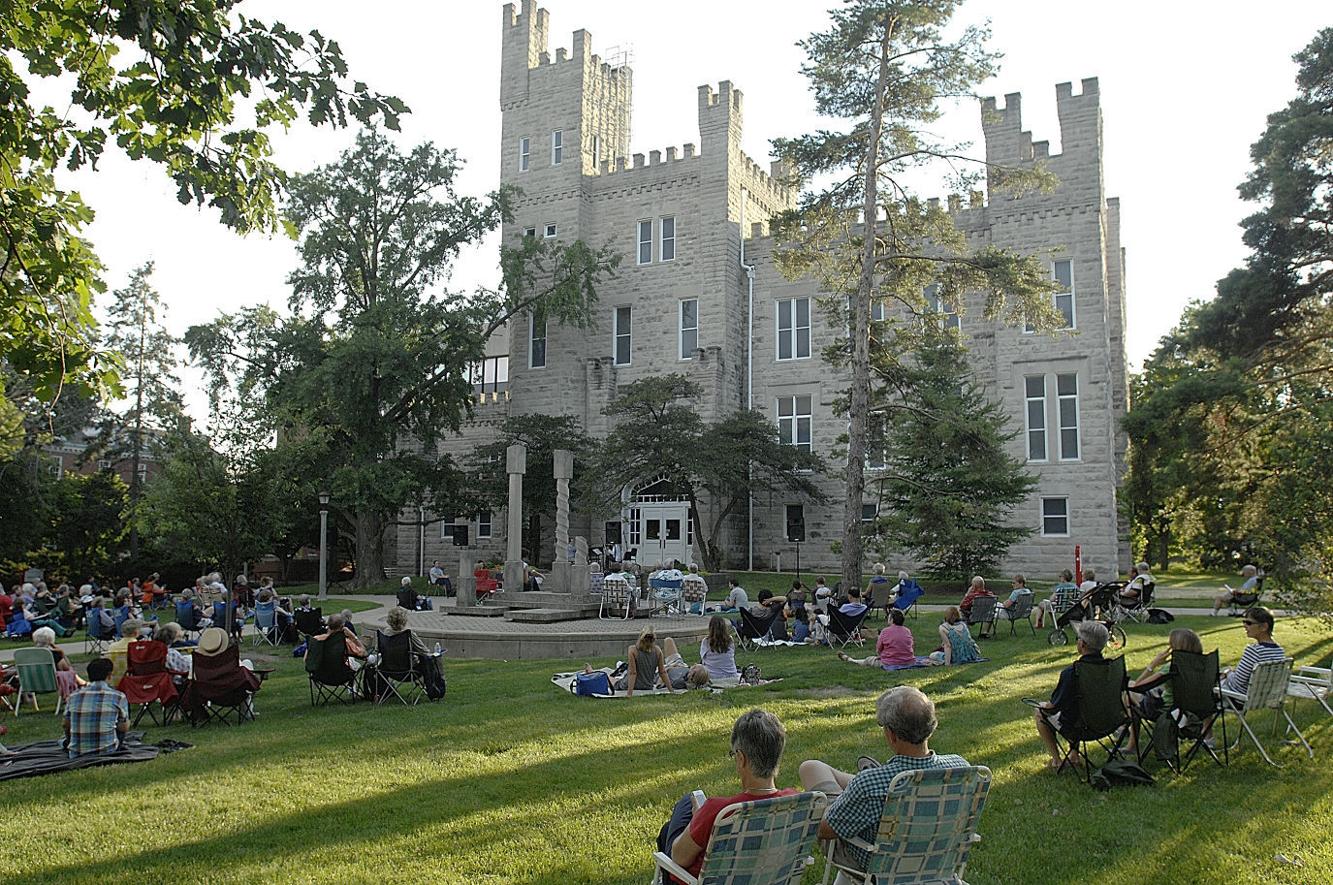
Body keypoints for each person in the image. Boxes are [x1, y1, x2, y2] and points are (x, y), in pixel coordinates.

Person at [799, 687, 969, 880]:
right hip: (936, 862)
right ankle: (859, 788)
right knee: (868, 783)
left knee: (811, 768)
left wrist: (836, 803)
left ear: (891, 735)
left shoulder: (871, 784)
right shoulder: (960, 768)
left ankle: (850, 794)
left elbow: (825, 830)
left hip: (876, 868)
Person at [657, 710, 798, 882]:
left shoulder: (719, 811)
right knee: (668, 828)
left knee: (686, 803)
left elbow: (678, 857)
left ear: (741, 759)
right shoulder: (795, 803)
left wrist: (699, 819)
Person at [1033, 620, 1114, 770]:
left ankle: (1057, 760)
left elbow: (1054, 706)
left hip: (1082, 727)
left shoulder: (1072, 673)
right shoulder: (1112, 668)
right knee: (1077, 707)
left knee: (1040, 711)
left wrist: (1043, 706)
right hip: (1110, 722)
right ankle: (1074, 754)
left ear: (1082, 644)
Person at [1127, 627, 1203, 751]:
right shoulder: (1202, 664)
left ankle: (1130, 739)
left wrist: (1153, 665)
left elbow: (1138, 687)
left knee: (1129, 689)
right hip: (1195, 710)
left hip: (1167, 711)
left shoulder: (1171, 667)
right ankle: (1129, 736)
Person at [62, 657, 128, 758]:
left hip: (77, 753)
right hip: (108, 751)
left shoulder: (73, 696)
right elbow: (123, 727)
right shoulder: (118, 697)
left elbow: (66, 725)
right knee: (123, 723)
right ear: (109, 675)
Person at [1221, 606, 1285, 696]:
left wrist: (1228, 672)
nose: (1244, 625)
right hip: (1262, 698)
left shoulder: (1254, 651)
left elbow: (1238, 681)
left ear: (1264, 627)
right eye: (1244, 622)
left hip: (1237, 698)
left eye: (1249, 623)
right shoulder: (1279, 651)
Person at [839, 608, 931, 669]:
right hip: (908, 660)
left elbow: (878, 649)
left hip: (890, 662)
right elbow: (910, 645)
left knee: (869, 660)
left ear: (891, 620)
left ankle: (851, 660)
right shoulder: (907, 631)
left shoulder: (885, 631)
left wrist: (882, 656)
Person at [615, 627, 673, 697]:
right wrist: (671, 690)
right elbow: (662, 672)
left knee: (613, 680)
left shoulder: (633, 650)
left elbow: (632, 673)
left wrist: (629, 694)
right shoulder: (657, 651)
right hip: (648, 685)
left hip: (629, 684)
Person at [699, 616, 741, 686]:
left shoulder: (706, 641)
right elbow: (732, 654)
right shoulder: (730, 640)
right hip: (731, 675)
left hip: (712, 677)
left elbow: (703, 658)